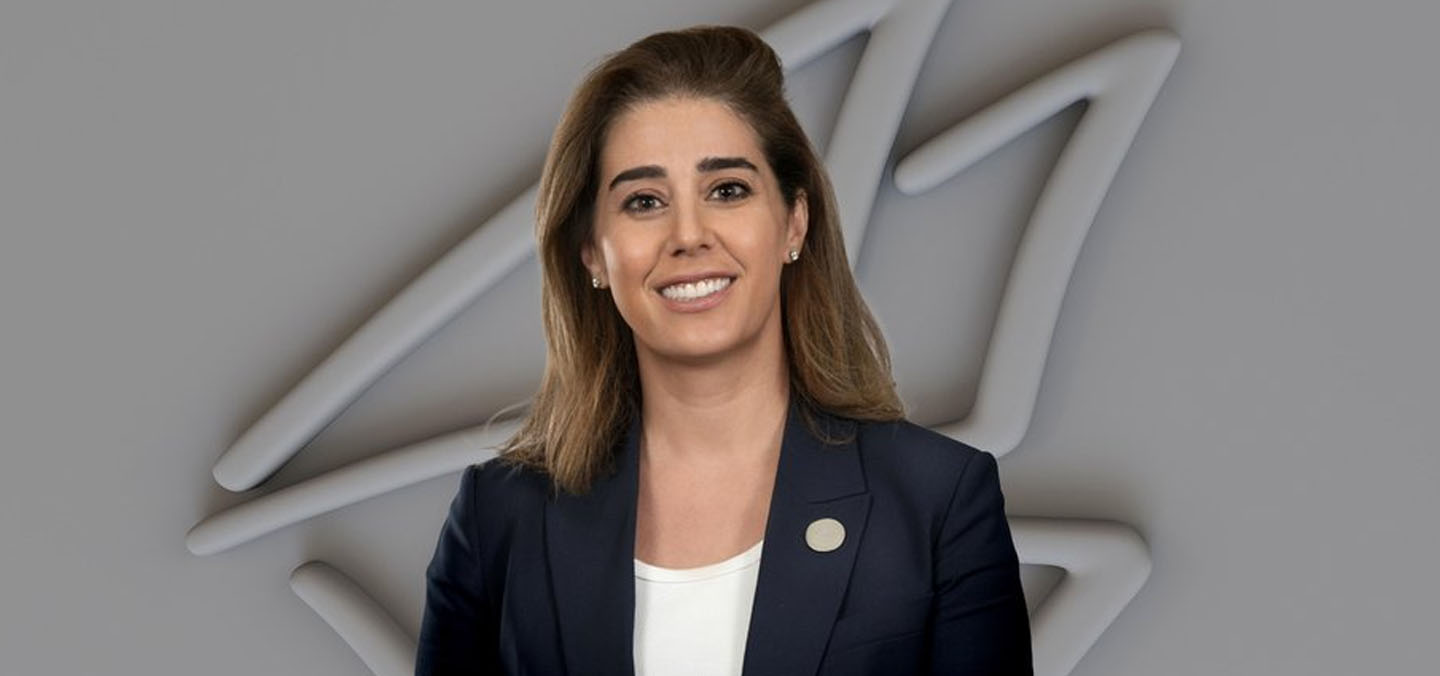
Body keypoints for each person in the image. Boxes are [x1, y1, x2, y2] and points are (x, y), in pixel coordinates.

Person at [415, 25, 1032, 676]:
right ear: (593, 252)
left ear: (794, 222)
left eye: (728, 190)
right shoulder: (497, 518)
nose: (689, 235)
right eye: (644, 201)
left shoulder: (938, 501)